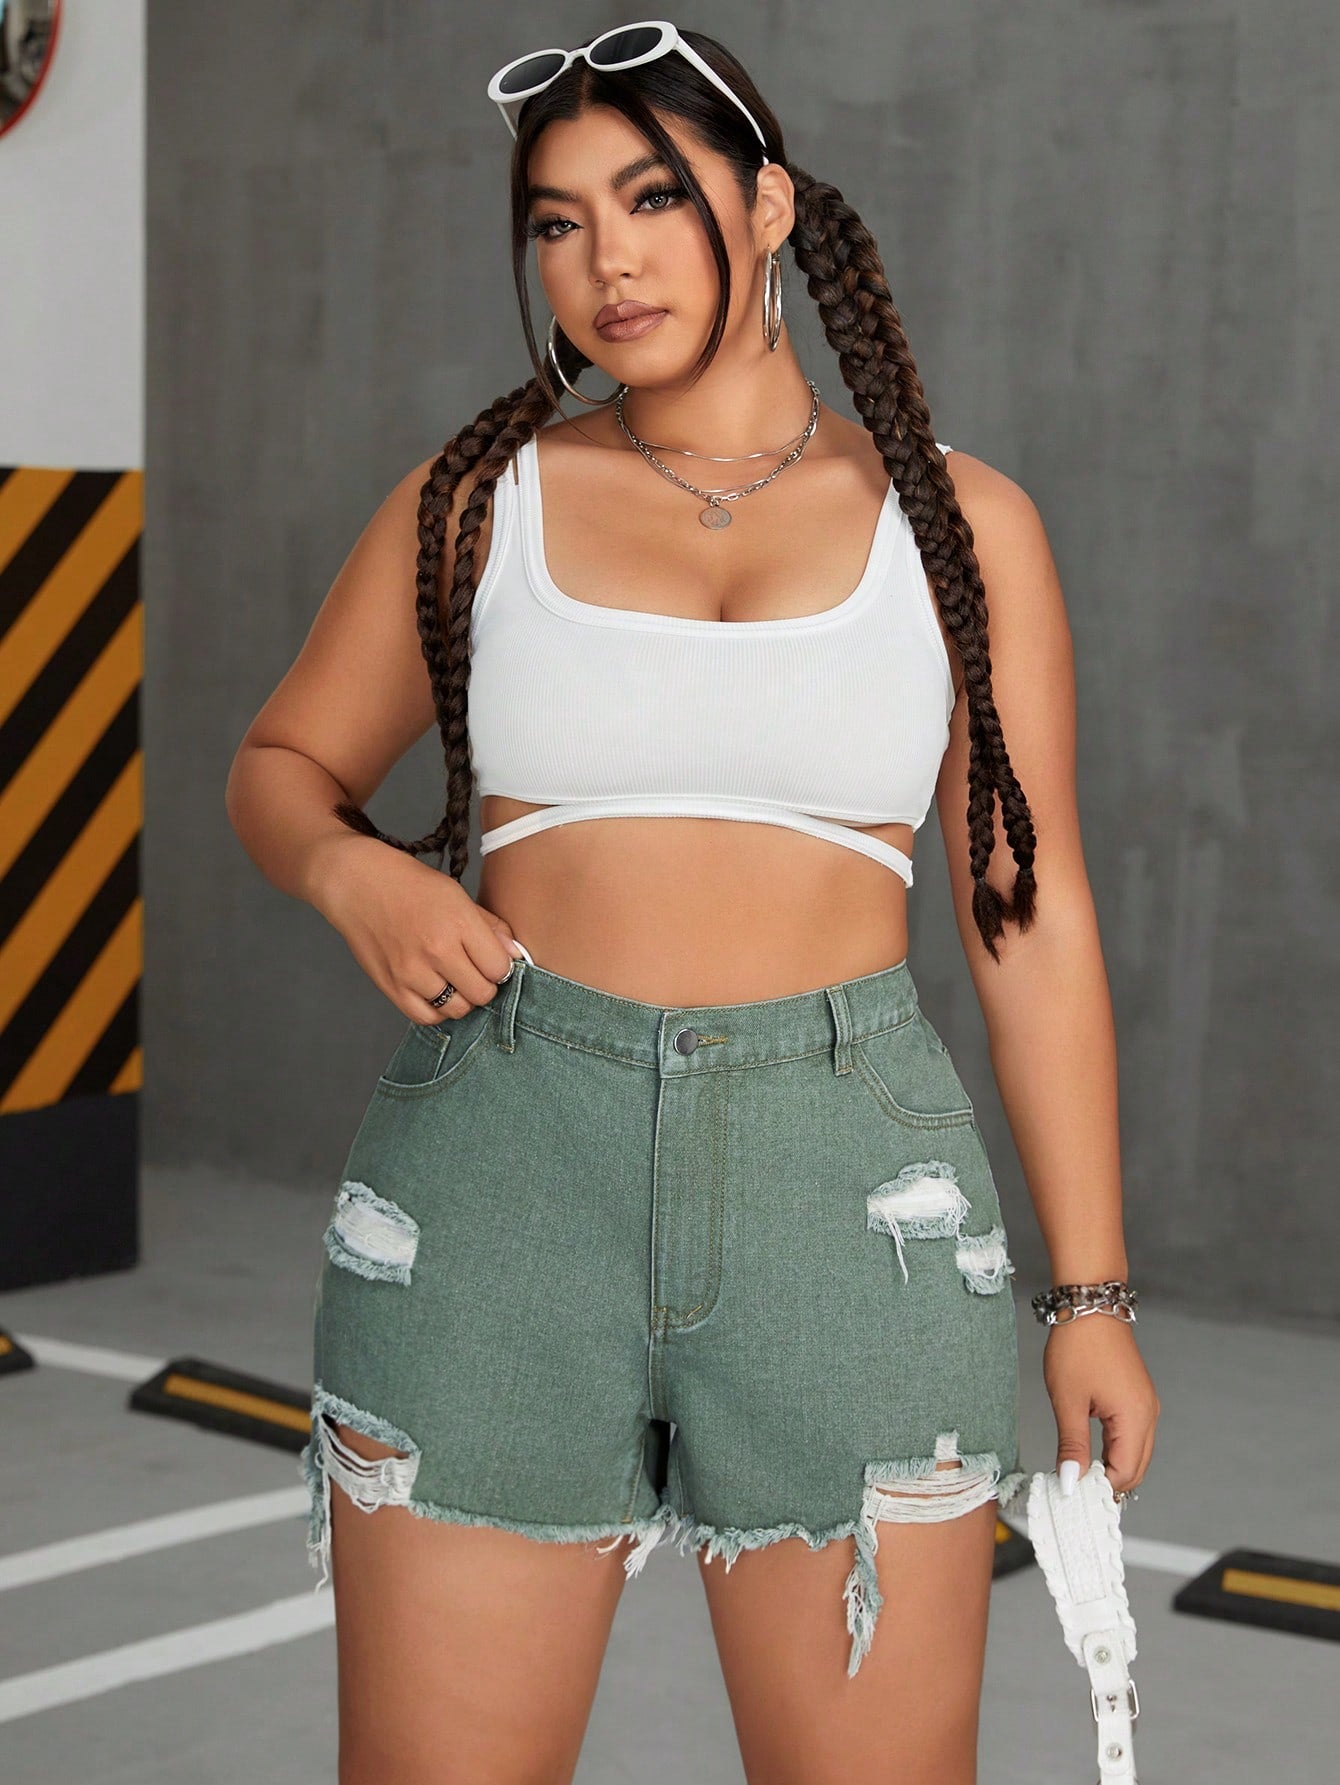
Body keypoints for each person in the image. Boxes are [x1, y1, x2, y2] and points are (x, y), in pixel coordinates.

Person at [225, 23, 1160, 1785]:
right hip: (503, 1175)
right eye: (558, 221)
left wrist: (1090, 1289)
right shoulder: (481, 501)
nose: (608, 260)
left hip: (851, 1199)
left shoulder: (960, 530)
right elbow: (279, 764)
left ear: (771, 207)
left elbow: (1027, 920)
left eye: (653, 199)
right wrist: (356, 871)